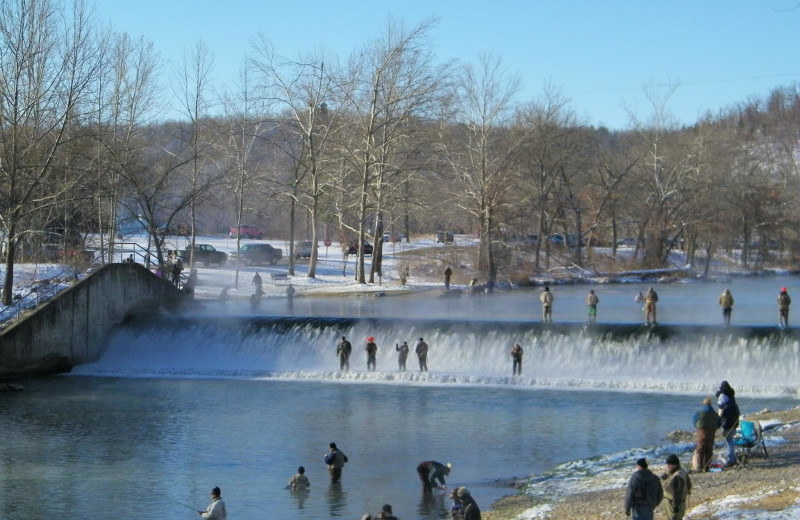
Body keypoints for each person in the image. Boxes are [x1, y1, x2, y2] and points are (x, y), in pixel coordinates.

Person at [692, 396, 721, 472]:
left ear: (704, 404)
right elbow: (719, 423)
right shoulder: (714, 413)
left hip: (701, 432)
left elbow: (694, 421)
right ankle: (707, 466)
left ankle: (700, 467)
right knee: (709, 449)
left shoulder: (700, 412)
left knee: (700, 449)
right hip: (711, 433)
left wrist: (697, 426)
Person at [660, 454, 691, 520]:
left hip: (673, 503)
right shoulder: (682, 471)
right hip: (679, 503)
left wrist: (676, 507)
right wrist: (666, 477)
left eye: (669, 464)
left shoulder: (677, 477)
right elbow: (689, 486)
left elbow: (677, 494)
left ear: (674, 464)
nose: (667, 466)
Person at [718, 392, 740, 467]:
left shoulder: (726, 408)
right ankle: (732, 458)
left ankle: (730, 459)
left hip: (727, 428)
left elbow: (722, 418)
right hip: (733, 427)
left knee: (728, 443)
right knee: (730, 442)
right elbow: (738, 414)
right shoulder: (734, 405)